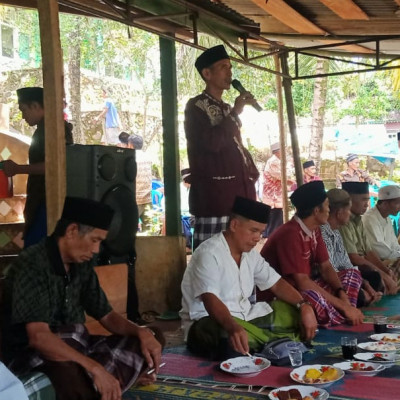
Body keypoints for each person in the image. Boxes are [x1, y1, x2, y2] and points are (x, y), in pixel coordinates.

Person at [2, 197, 163, 400]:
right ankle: (105, 381)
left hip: (78, 348)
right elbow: (39, 337)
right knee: (65, 372)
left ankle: (99, 384)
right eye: (94, 240)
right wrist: (95, 369)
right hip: (37, 357)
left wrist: (141, 332)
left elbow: (107, 316)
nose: (96, 250)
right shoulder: (33, 264)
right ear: (71, 231)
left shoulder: (81, 265)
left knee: (151, 338)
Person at [180, 196, 318, 361]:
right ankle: (275, 343)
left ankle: (264, 344)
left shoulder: (250, 254)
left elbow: (276, 284)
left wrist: (303, 306)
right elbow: (210, 299)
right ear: (234, 225)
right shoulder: (208, 253)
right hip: (210, 323)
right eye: (253, 231)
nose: (257, 238)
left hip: (247, 318)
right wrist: (233, 327)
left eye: (260, 232)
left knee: (296, 312)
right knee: (225, 335)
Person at [184, 45, 259, 250]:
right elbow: (212, 143)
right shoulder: (196, 106)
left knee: (237, 261)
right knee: (212, 262)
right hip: (214, 199)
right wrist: (235, 113)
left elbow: (234, 145)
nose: (230, 73)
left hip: (236, 199)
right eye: (223, 67)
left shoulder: (226, 108)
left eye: (230, 67)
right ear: (207, 74)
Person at [261, 181, 364, 327]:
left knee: (352, 274)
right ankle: (341, 315)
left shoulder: (315, 229)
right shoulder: (290, 234)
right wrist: (344, 306)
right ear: (317, 210)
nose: (329, 210)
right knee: (312, 296)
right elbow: (302, 283)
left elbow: (326, 267)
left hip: (306, 286)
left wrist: (341, 293)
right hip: (286, 294)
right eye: (327, 206)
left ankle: (342, 314)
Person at [2, 87, 73, 248]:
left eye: (24, 109)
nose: (23, 116)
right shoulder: (44, 129)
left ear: (36, 106)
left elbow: (56, 166)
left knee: (38, 251)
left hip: (48, 202)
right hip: (41, 200)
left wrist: (18, 169)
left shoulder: (53, 129)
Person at [320, 188, 382, 307]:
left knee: (370, 276)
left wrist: (365, 284)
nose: (350, 214)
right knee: (353, 278)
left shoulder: (336, 232)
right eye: (348, 210)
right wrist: (359, 286)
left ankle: (364, 295)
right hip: (331, 281)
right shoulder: (322, 233)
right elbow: (332, 272)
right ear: (339, 213)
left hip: (344, 277)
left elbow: (347, 264)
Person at [339, 182, 398, 295]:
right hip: (352, 268)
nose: (367, 204)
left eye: (367, 200)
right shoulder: (344, 223)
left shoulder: (358, 220)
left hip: (366, 264)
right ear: (349, 200)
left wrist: (386, 272)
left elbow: (369, 251)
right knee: (374, 278)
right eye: (363, 200)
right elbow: (354, 257)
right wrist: (382, 274)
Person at [362, 185, 400, 280]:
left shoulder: (386, 217)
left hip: (389, 260)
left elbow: (394, 243)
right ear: (385, 203)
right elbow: (379, 249)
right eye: (397, 203)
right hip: (377, 263)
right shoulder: (370, 218)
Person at [262, 142, 295, 237]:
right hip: (273, 195)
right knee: (275, 218)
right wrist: (291, 180)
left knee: (275, 217)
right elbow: (281, 176)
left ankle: (269, 234)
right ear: (277, 152)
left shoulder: (276, 161)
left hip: (275, 194)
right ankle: (272, 236)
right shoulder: (274, 161)